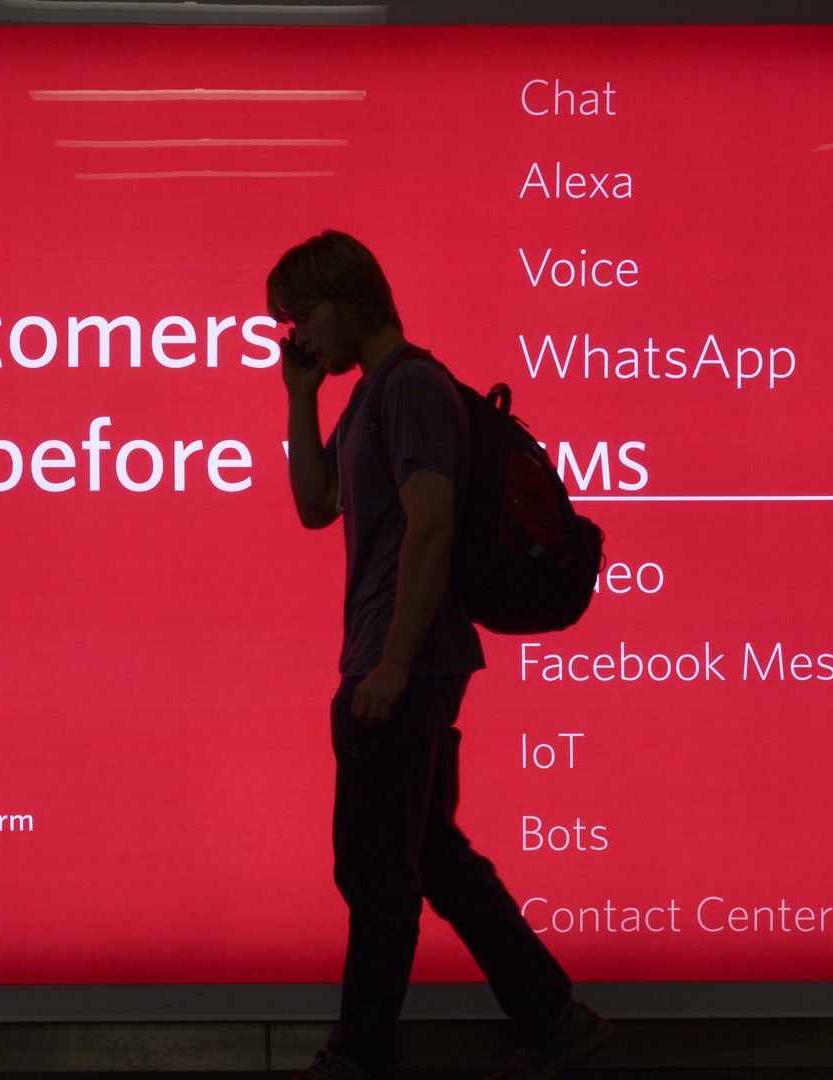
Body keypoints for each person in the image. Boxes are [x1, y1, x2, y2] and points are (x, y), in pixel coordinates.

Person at [269, 229, 615, 1080]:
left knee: (378, 874)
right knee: (434, 859)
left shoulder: (413, 387)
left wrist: (389, 665)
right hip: (398, 659)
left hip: (403, 665)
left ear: (347, 298)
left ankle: (359, 1055)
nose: (297, 334)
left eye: (302, 315)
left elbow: (433, 528)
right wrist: (300, 397)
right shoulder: (372, 396)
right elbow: (316, 507)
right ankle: (555, 1018)